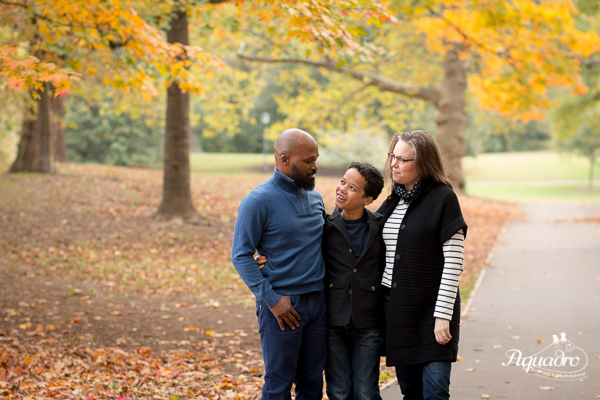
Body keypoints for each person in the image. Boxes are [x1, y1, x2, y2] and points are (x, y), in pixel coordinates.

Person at [257, 162, 386, 400]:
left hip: (368, 320)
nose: (342, 189)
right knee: (338, 390)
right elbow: (300, 249)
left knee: (367, 391)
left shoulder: (379, 227)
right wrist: (268, 261)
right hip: (334, 319)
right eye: (342, 182)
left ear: (368, 199)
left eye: (353, 188)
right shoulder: (326, 227)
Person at [231, 128, 327, 400]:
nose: (315, 166)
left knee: (312, 385)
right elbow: (240, 255)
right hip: (282, 306)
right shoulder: (258, 201)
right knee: (278, 386)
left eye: (316, 158)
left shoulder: (315, 197)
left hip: (318, 304)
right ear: (285, 159)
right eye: (308, 160)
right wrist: (272, 299)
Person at [378, 130, 467, 400]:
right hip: (399, 312)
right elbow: (360, 239)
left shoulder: (443, 199)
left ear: (423, 164)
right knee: (411, 393)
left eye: (403, 160)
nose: (394, 164)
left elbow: (453, 262)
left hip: (433, 311)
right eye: (393, 156)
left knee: (436, 393)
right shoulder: (392, 201)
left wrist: (442, 316)